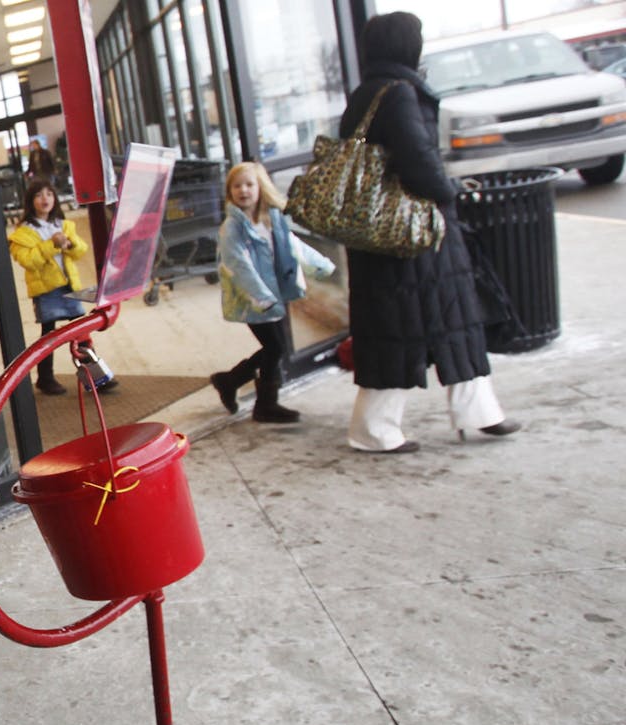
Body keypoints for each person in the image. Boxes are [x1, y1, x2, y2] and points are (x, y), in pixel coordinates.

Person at [338, 11, 520, 453]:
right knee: (408, 327)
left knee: (448, 319)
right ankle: (373, 429)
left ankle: (479, 411)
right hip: (411, 232)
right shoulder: (398, 93)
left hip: (389, 236)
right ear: (406, 46)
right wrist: (448, 190)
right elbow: (419, 161)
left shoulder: (367, 92)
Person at [209, 162, 336, 423]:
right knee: (276, 347)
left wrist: (320, 265)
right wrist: (261, 298)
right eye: (236, 186)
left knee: (275, 347)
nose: (243, 190)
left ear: (261, 187)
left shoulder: (270, 218)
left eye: (249, 184)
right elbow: (238, 266)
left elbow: (292, 245)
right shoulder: (232, 228)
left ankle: (230, 381)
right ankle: (264, 404)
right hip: (251, 301)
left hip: (274, 295)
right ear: (229, 191)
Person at [8, 178, 116, 395]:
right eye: (39, 195)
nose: (45, 199)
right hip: (46, 291)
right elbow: (28, 260)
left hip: (69, 286)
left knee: (81, 332)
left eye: (49, 193)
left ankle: (96, 378)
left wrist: (69, 244)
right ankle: (45, 378)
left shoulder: (63, 224)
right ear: (31, 201)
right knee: (49, 336)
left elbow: (80, 250)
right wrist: (52, 245)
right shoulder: (22, 233)